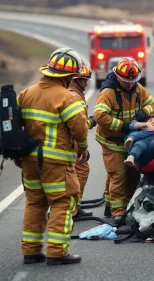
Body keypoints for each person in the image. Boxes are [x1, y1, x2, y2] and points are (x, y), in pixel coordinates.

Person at [17, 48, 88, 266]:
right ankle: (56, 252)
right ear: (67, 77)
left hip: (29, 162)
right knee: (62, 203)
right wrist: (83, 148)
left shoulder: (26, 93)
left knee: (35, 203)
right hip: (56, 164)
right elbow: (79, 129)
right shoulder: (66, 97)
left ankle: (31, 251)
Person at [94, 57, 154, 224]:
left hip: (130, 141)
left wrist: (145, 111)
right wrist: (123, 126)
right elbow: (100, 116)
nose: (130, 84)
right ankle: (118, 212)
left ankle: (120, 205)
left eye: (132, 81)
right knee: (118, 174)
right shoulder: (108, 93)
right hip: (112, 141)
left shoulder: (138, 89)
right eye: (126, 81)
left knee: (132, 174)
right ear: (117, 77)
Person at [69, 63, 96, 217]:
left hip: (68, 144)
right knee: (81, 172)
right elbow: (78, 126)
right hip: (72, 145)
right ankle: (73, 210)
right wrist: (91, 122)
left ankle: (70, 208)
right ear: (76, 79)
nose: (86, 83)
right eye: (84, 80)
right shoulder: (75, 96)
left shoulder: (72, 93)